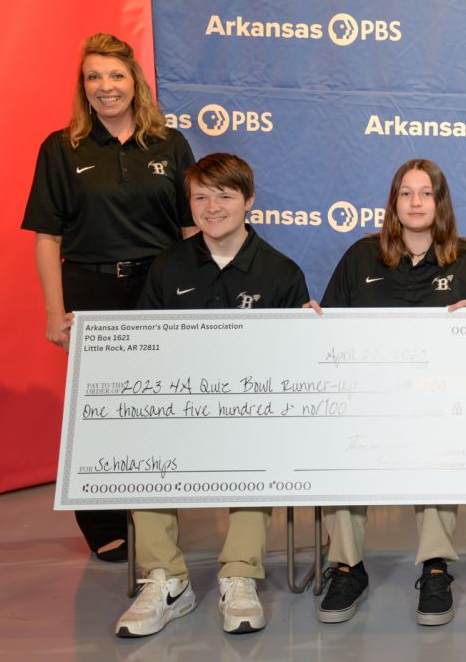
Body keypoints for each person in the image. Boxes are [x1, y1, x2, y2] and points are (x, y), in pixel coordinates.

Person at [113, 153, 313, 637]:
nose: (212, 207)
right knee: (139, 440)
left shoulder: (281, 272)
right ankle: (167, 580)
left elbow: (294, 367)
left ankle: (239, 574)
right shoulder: (168, 266)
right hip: (178, 408)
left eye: (224, 195)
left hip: (251, 411)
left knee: (260, 441)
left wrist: (310, 334)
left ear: (249, 201)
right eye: (200, 197)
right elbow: (145, 347)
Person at [21, 33, 197, 562]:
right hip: (91, 290)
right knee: (99, 410)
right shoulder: (61, 147)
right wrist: (54, 312)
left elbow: (191, 228)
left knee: (156, 407)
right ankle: (103, 519)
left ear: (134, 82)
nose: (106, 86)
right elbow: (47, 237)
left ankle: (154, 513)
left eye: (116, 75)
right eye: (94, 76)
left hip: (158, 287)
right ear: (83, 86)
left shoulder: (169, 144)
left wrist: (197, 300)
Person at [316, 158, 466, 627]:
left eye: (426, 193)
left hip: (436, 401)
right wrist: (314, 322)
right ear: (393, 202)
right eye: (406, 193)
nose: (416, 202)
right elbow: (329, 333)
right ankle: (347, 567)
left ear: (441, 203)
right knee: (337, 435)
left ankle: (435, 567)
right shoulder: (361, 256)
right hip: (365, 399)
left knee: (443, 435)